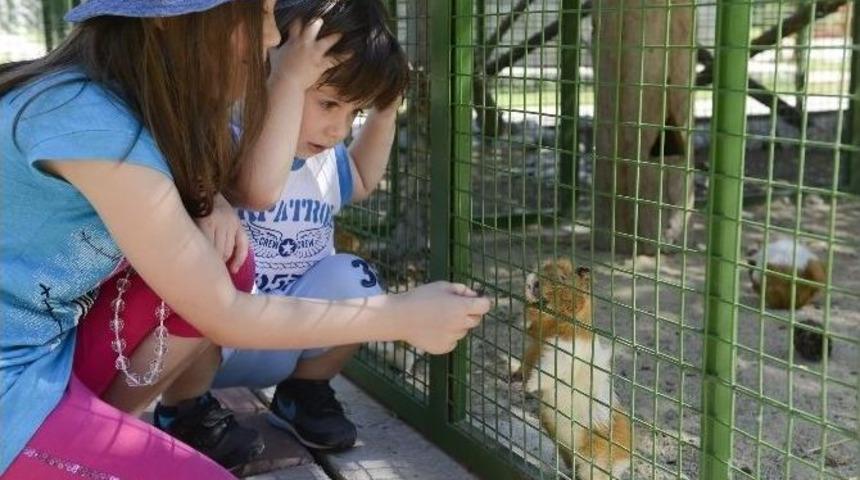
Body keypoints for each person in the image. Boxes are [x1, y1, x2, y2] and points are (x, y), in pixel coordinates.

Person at [0, 1, 490, 478]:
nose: (273, 37)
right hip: (14, 391)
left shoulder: (126, 103)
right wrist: (402, 316)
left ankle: (95, 433)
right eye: (257, 12)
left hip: (47, 356)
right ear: (171, 17)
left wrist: (210, 200)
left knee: (224, 255)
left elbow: (196, 191)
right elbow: (223, 311)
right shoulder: (90, 124)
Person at [150, 0, 411, 454]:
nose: (339, 129)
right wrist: (288, 81)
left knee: (358, 280)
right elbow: (257, 188)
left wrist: (385, 114)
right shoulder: (229, 134)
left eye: (354, 113)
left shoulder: (325, 158)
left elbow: (363, 179)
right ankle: (185, 411)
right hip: (214, 337)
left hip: (293, 333)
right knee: (189, 287)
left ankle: (303, 392)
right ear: (274, 71)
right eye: (328, 104)